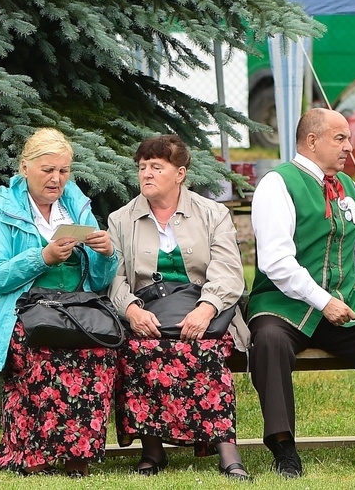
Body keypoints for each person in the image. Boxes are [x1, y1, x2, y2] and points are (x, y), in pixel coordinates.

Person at [247, 107, 355, 478]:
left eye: (348, 138)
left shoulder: (350, 188)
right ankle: (283, 447)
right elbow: (276, 261)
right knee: (269, 342)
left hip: (342, 304)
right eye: (340, 138)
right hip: (284, 305)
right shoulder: (277, 183)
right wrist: (322, 300)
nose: (349, 147)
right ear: (312, 141)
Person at [0, 127, 119, 477]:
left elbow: (97, 281)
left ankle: (77, 455)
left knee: (98, 350)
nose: (56, 179)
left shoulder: (76, 207)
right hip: (21, 311)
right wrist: (43, 257)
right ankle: (32, 455)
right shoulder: (1, 210)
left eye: (64, 171)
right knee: (43, 353)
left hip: (74, 309)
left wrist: (108, 254)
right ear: (25, 167)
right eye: (47, 170)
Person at [107, 134, 251, 480]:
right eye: (142, 167)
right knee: (140, 348)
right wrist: (130, 310)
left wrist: (206, 308)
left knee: (204, 348)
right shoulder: (121, 219)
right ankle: (152, 450)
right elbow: (113, 279)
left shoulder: (212, 213)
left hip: (206, 311)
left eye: (157, 167)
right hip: (148, 312)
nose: (147, 174)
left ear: (180, 173)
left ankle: (225, 449)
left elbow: (230, 273)